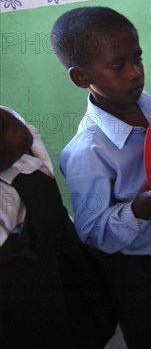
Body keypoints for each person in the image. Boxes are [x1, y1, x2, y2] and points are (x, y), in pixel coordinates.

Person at [50, 7, 151, 348]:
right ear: (81, 77)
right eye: (119, 66)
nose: (135, 73)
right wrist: (138, 210)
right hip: (135, 270)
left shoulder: (150, 106)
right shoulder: (88, 151)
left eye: (138, 59)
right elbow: (91, 230)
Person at [0, 106, 115, 348]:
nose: (20, 133)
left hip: (65, 259)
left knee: (88, 324)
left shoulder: (19, 132)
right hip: (24, 296)